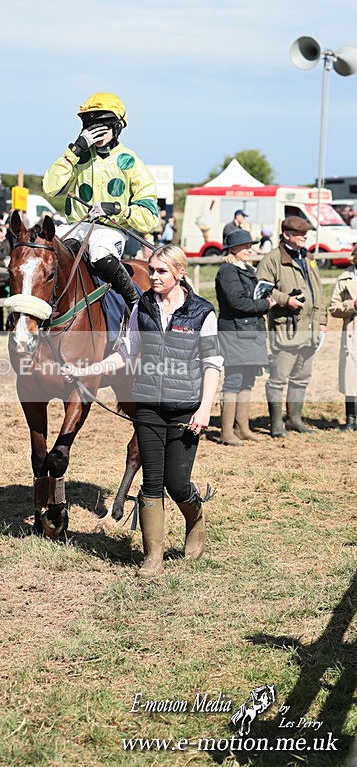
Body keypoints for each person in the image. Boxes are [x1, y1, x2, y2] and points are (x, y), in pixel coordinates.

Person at [62, 244, 222, 578]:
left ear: (180, 273)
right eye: (151, 271)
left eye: (161, 271)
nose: (153, 277)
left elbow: (212, 363)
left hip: (185, 408)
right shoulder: (142, 307)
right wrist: (90, 369)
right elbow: (125, 351)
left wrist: (205, 408)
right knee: (152, 480)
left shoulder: (201, 312)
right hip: (148, 404)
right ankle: (153, 558)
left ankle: (195, 518)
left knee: (177, 483)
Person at [43, 92, 159, 310]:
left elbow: (150, 218)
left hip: (109, 231)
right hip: (76, 226)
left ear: (117, 126)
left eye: (103, 123)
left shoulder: (131, 162)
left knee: (100, 254)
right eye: (90, 124)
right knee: (41, 251)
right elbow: (50, 187)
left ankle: (137, 307)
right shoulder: (78, 158)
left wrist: (116, 209)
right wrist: (74, 150)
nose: (96, 129)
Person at [256, 216, 328, 437]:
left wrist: (323, 320)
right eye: (300, 233)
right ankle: (277, 424)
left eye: (306, 233)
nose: (305, 236)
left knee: (302, 376)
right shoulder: (273, 259)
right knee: (278, 379)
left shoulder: (308, 257)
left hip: (311, 328)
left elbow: (319, 290)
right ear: (286, 235)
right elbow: (260, 289)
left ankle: (295, 418)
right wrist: (286, 300)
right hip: (286, 328)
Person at [215, 229, 276, 445]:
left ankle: (243, 427)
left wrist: (263, 299)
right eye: (245, 246)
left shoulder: (246, 269)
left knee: (248, 380)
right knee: (234, 380)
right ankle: (226, 432)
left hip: (249, 332)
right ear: (233, 249)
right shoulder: (227, 271)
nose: (249, 248)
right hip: (235, 332)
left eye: (250, 245)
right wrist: (264, 304)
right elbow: (237, 303)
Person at [329, 244, 357, 431]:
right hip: (353, 330)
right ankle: (351, 418)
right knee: (351, 375)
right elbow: (333, 308)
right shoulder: (345, 277)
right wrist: (352, 305)